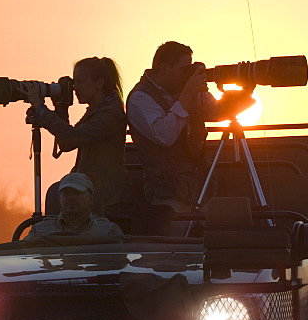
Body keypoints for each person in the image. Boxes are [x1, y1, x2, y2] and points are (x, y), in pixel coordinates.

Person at [126, 41, 255, 235]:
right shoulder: (140, 98)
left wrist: (246, 90)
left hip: (200, 191)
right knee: (175, 257)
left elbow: (220, 111)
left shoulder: (188, 91)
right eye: (184, 69)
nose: (188, 74)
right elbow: (165, 135)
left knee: (208, 251)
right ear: (164, 68)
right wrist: (187, 93)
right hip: (168, 197)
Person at [21, 57, 134, 228]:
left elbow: (71, 138)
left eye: (80, 82)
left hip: (107, 198)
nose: (75, 88)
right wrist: (61, 108)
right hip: (94, 192)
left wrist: (41, 110)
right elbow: (67, 144)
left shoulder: (109, 115)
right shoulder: (97, 110)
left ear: (99, 83)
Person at [24, 172, 123, 238]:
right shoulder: (40, 231)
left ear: (91, 199)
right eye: (66, 193)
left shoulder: (109, 232)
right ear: (59, 199)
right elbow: (24, 260)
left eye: (77, 193)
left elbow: (120, 262)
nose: (71, 197)